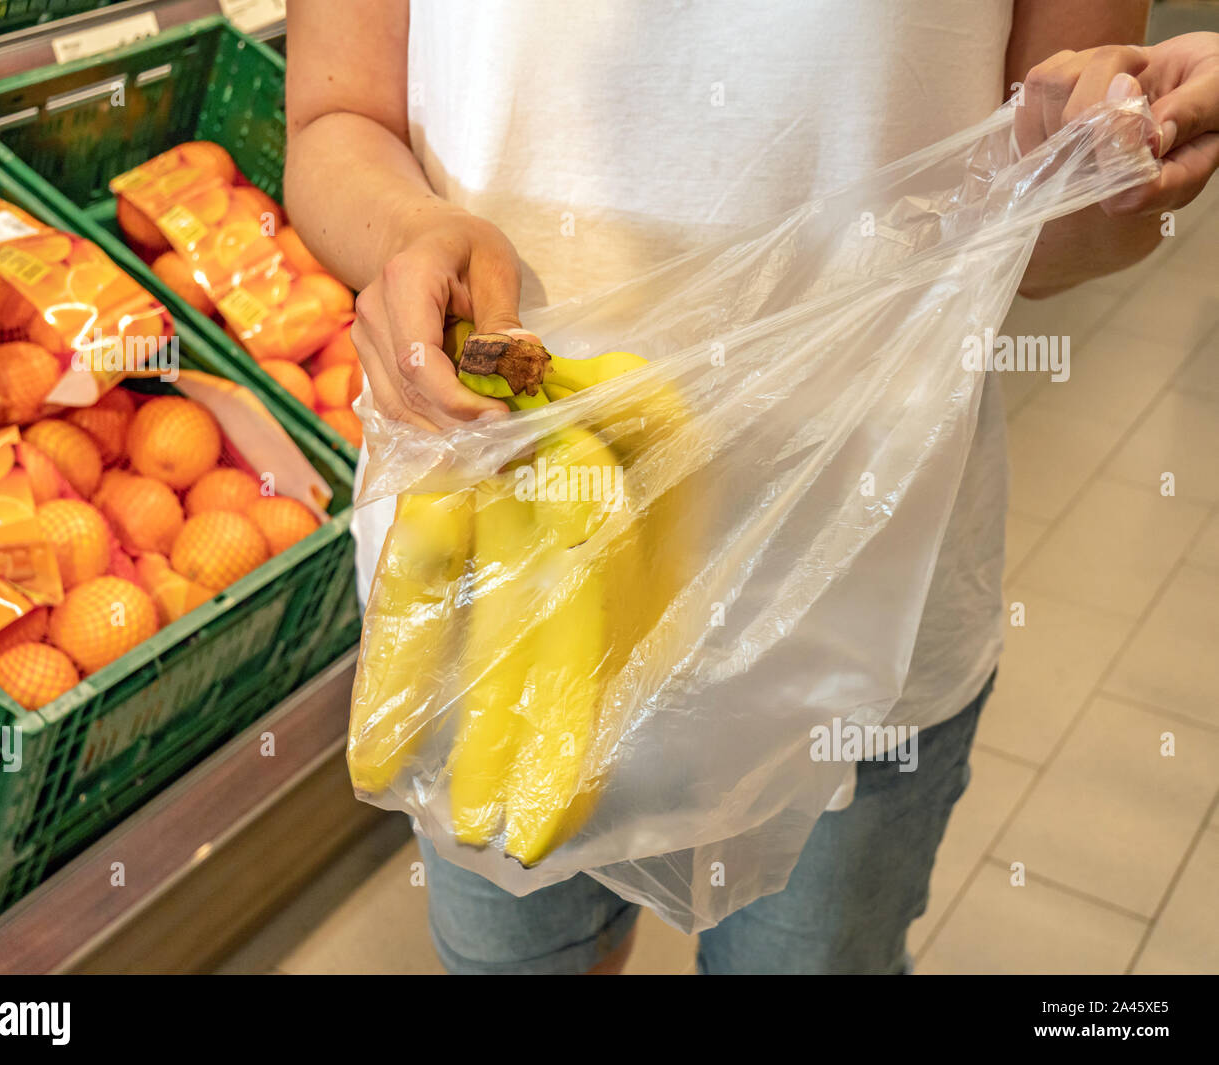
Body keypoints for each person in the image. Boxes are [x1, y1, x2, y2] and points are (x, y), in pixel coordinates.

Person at [285, 1, 1219, 974]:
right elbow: (333, 116)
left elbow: (1056, 243)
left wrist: (1104, 159)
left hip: (861, 606)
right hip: (496, 581)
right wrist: (406, 231)